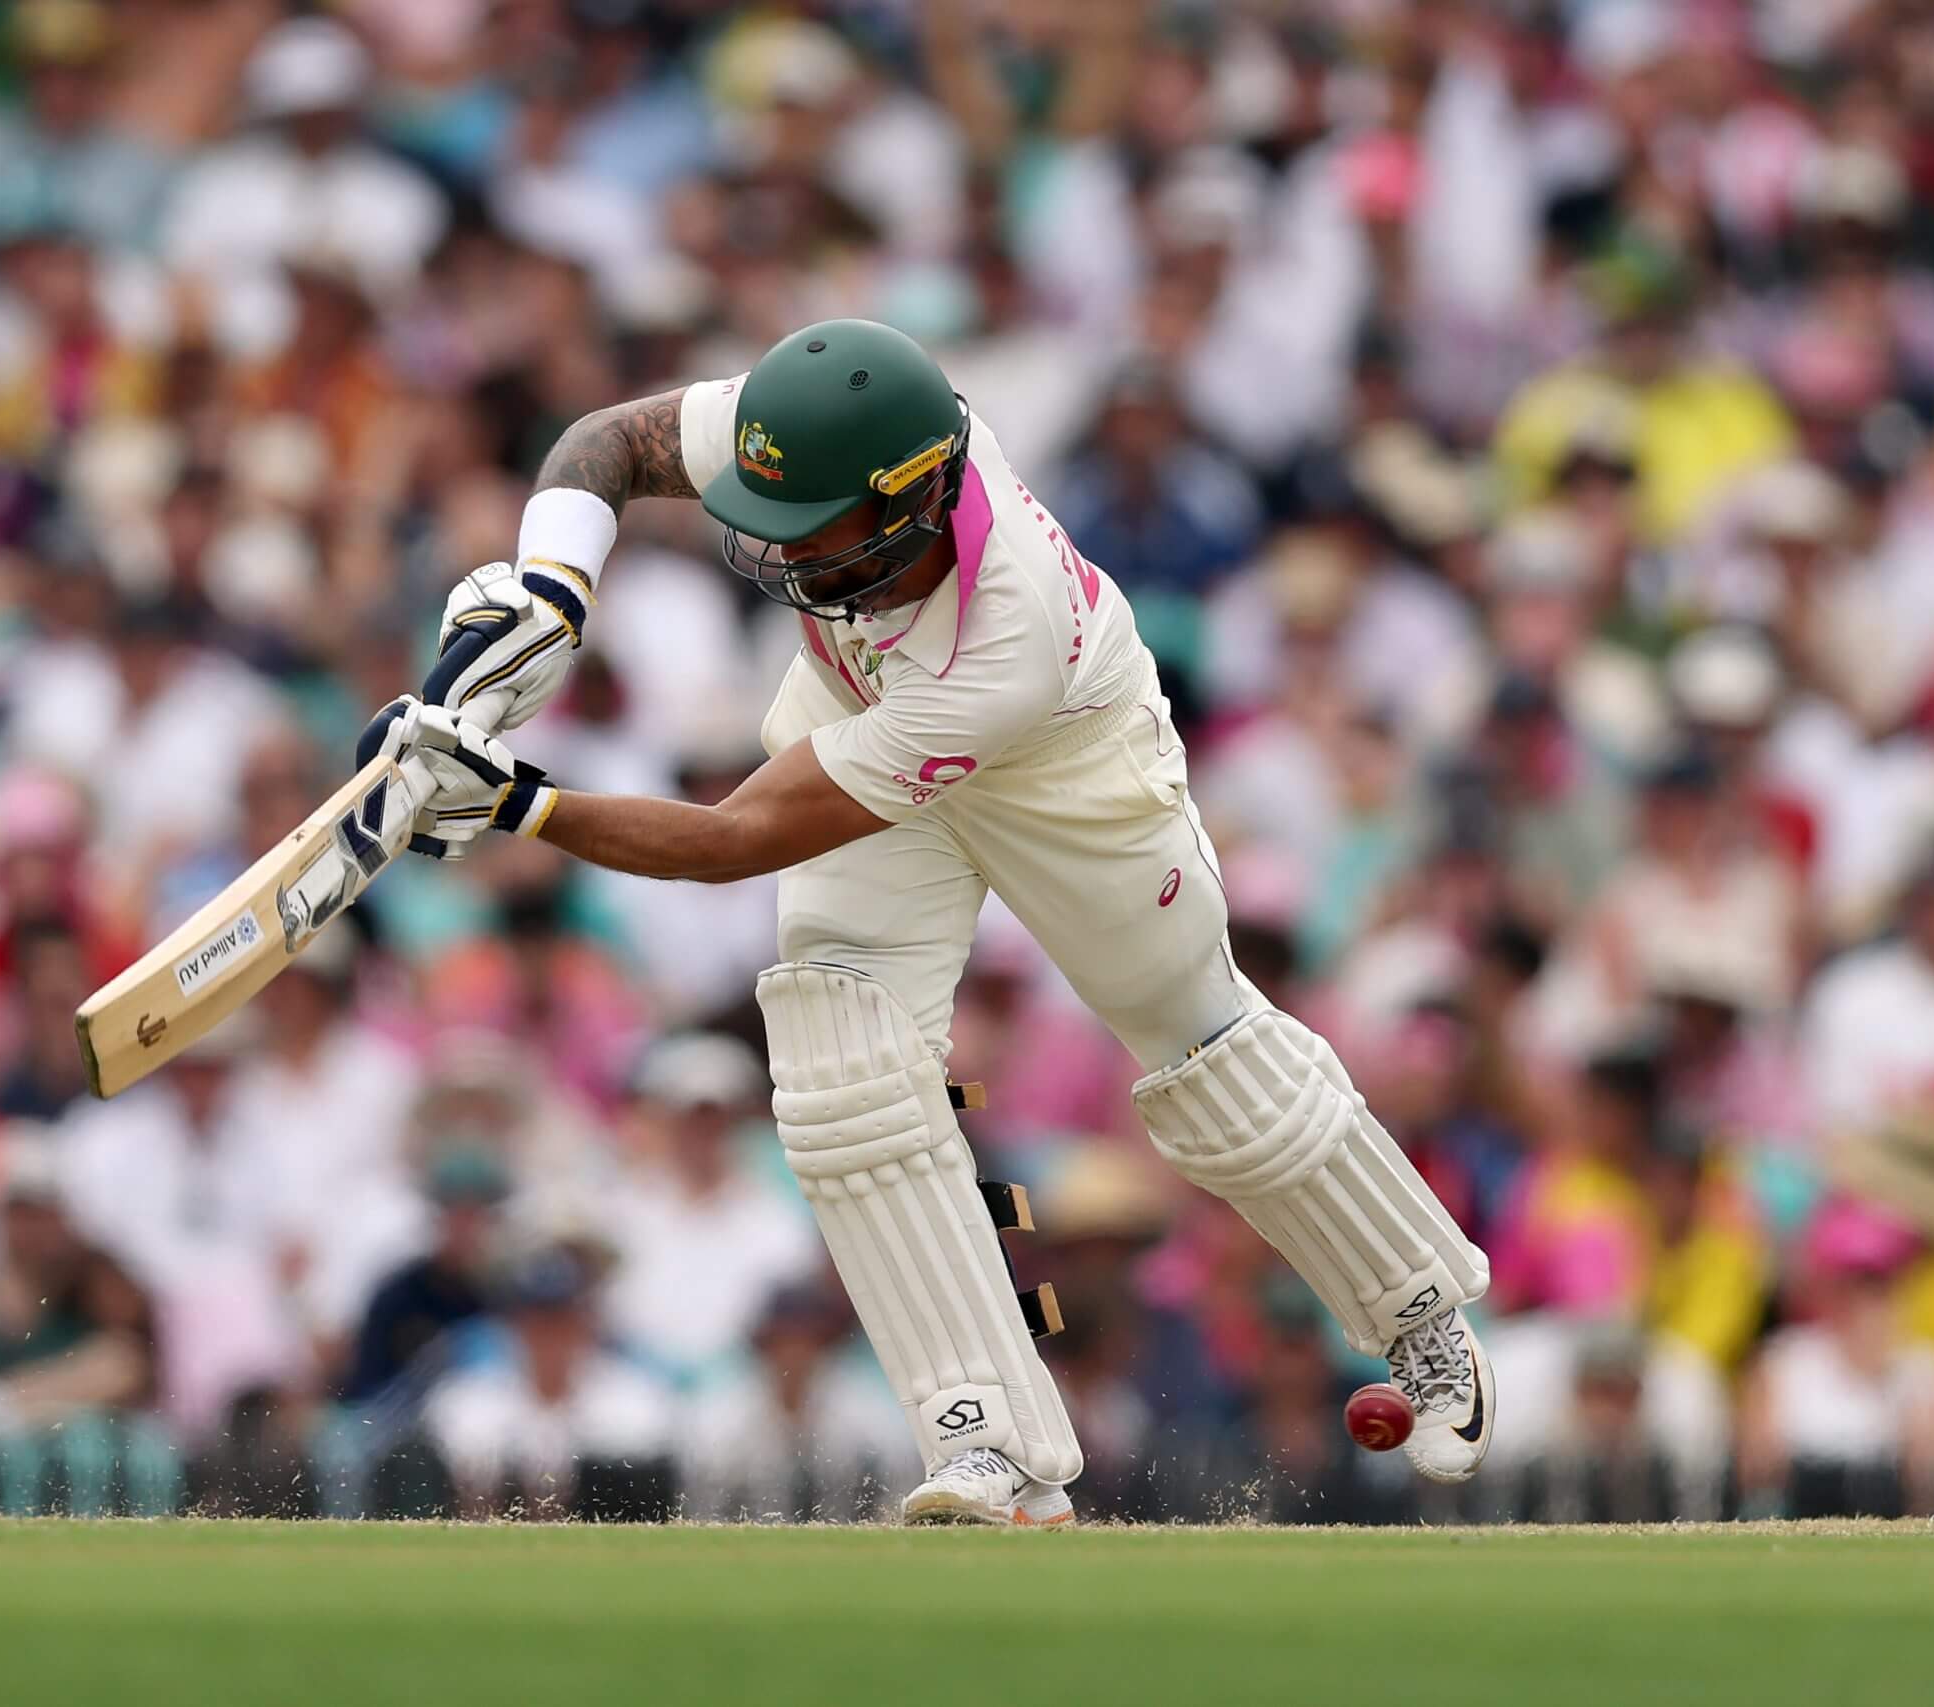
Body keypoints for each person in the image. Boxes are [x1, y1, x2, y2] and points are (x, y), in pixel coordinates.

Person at [358, 318, 1492, 1525]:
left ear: (907, 505)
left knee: (1198, 1045)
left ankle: (1420, 1314)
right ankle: (989, 1446)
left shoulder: (997, 642)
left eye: (811, 531)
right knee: (840, 1066)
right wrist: (551, 591)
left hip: (1068, 773)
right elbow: (604, 443)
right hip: (868, 720)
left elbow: (730, 840)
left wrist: (523, 805)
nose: (776, 547)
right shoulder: (830, 431)